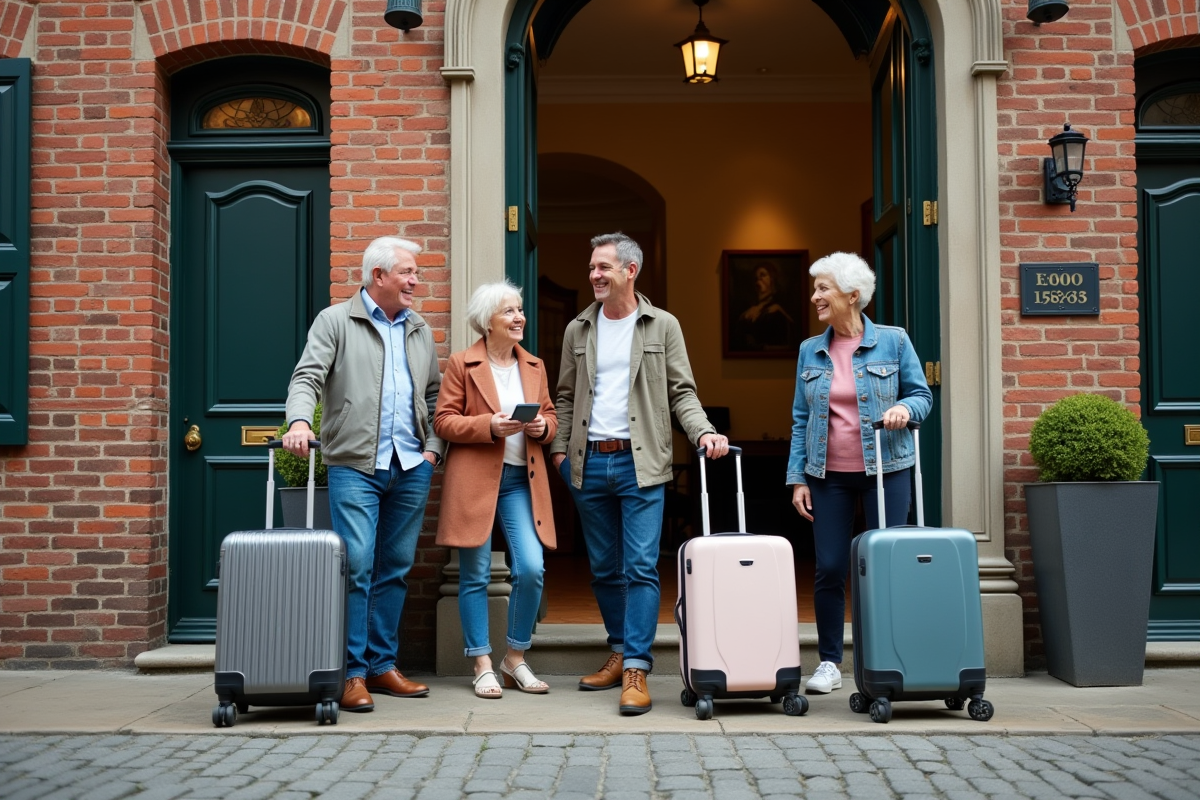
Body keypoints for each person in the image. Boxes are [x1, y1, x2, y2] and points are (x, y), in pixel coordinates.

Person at [551, 232, 730, 716]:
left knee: (641, 567)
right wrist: (560, 456)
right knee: (605, 569)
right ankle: (618, 648)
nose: (594, 274)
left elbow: (682, 392)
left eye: (603, 267)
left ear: (630, 271)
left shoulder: (662, 326)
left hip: (641, 464)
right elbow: (564, 396)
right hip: (589, 463)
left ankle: (636, 666)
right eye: (591, 267)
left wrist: (703, 433)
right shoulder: (577, 330)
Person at [282, 236, 445, 713]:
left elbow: (435, 396)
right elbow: (307, 377)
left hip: (411, 465)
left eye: (415, 273)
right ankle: (352, 673)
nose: (416, 281)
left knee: (394, 569)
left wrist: (433, 450)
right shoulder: (336, 321)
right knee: (356, 565)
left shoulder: (418, 329)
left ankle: (382, 665)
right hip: (355, 464)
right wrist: (297, 421)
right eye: (408, 273)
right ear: (379, 276)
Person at [785, 251, 932, 694]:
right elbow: (799, 418)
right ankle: (830, 662)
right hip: (826, 475)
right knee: (830, 567)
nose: (815, 297)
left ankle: (885, 657)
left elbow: (921, 394)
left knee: (885, 566)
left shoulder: (895, 341)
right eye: (815, 289)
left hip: (887, 470)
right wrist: (797, 478)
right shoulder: (810, 350)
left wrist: (905, 408)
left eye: (823, 288)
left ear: (853, 295)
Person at [433, 280, 557, 700]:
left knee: (531, 568)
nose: (519, 317)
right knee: (474, 574)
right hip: (475, 480)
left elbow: (552, 417)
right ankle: (482, 662)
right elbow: (443, 421)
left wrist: (542, 426)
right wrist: (488, 425)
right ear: (488, 321)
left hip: (521, 482)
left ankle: (515, 657)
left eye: (519, 309)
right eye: (509, 311)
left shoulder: (535, 366)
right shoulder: (462, 364)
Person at [736, 262, 795, 352]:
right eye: (756, 277)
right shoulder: (751, 308)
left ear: (772, 278)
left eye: (762, 275)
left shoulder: (778, 306)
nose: (758, 279)